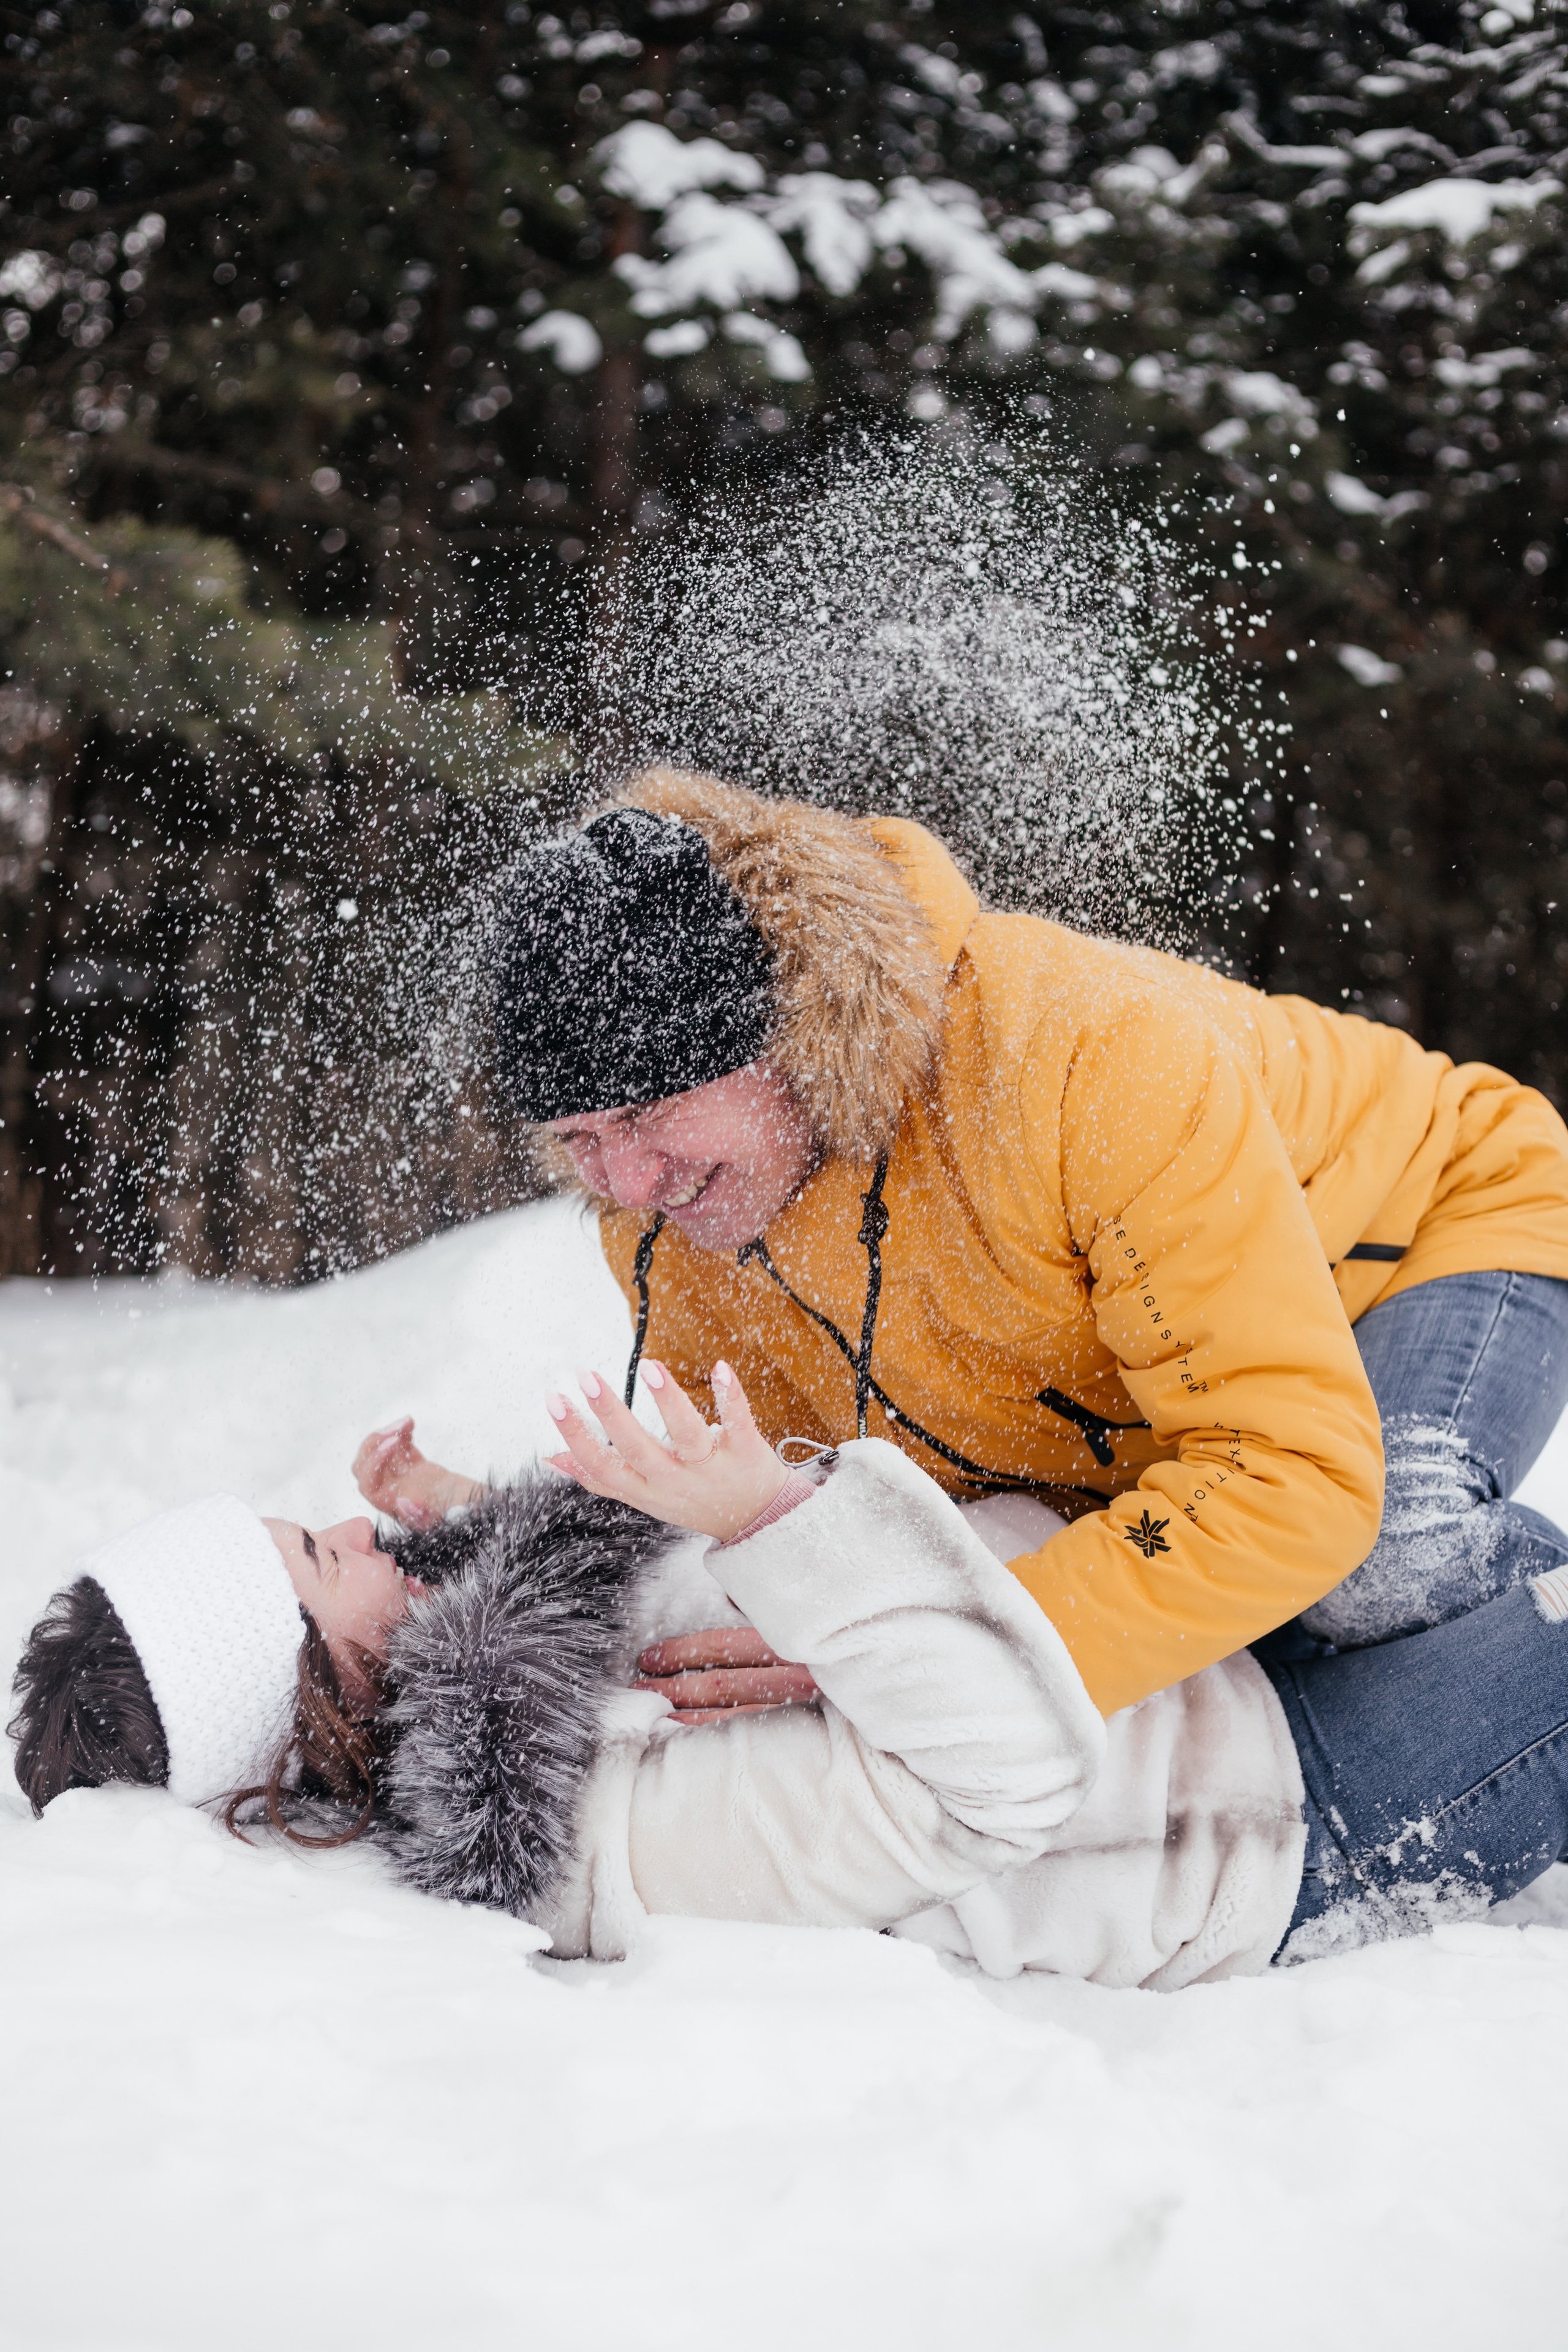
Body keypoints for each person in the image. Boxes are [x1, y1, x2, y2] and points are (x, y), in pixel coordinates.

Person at [489, 771, 1568, 1717]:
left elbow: (1288, 1475)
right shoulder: (669, 1214)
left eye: (650, 1113)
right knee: (1209, 1627)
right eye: (582, 1136)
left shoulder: (1080, 1064)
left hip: (1432, 1221)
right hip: (1178, 1390)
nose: (626, 1182)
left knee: (1369, 1569)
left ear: (782, 1038)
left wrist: (925, 1650)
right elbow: (783, 1490)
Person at [11, 1363, 1568, 1985]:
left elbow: (623, 1617)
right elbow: (1002, 1778)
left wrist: (469, 1523)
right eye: (318, 1554)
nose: (354, 1523)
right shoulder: (611, 1842)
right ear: (317, 1693)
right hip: (1278, 1801)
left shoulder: (495, 1681)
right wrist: (773, 1518)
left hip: (1177, 1636)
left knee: (1447, 1482)